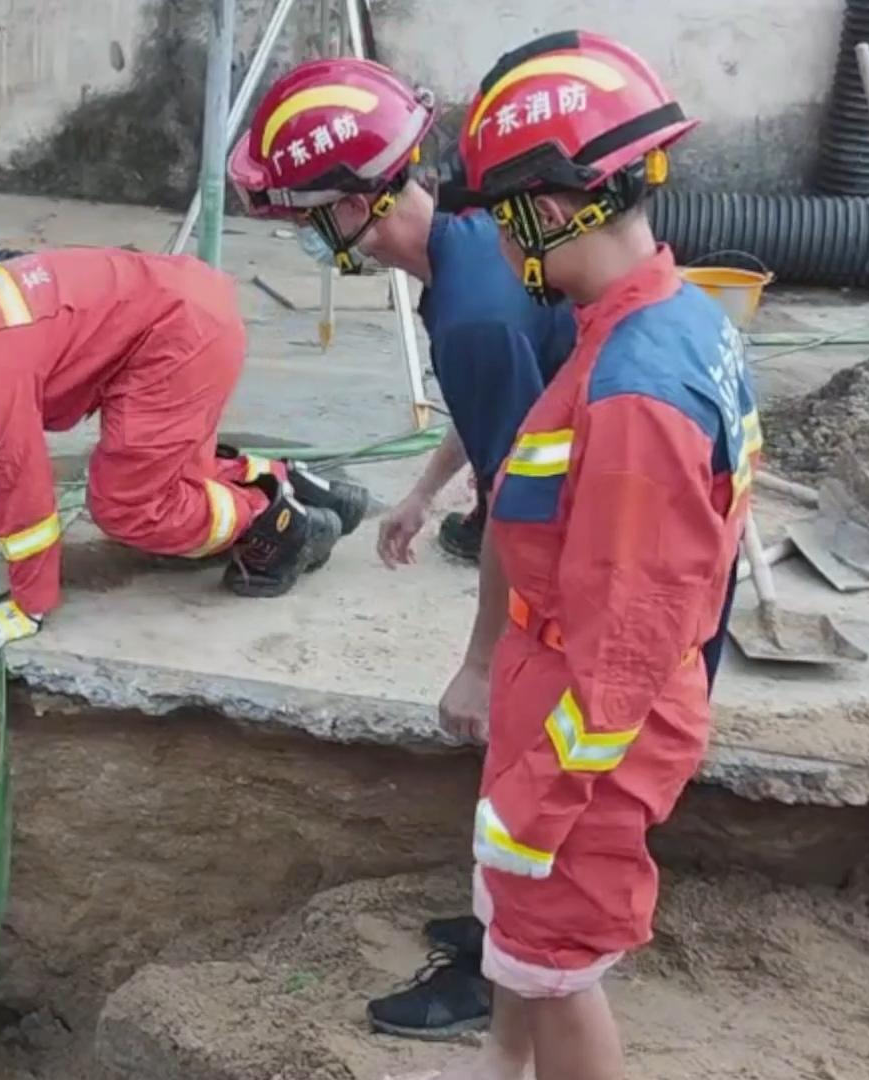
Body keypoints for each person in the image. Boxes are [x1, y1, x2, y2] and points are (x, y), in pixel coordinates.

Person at [400, 31, 760, 1080]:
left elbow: (626, 658)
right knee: (522, 939)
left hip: (586, 743)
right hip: (552, 692)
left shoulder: (638, 393)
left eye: (499, 215)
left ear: (551, 210)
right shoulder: (656, 319)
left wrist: (537, 804)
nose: (491, 241)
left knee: (558, 963)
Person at [227, 56, 577, 1040]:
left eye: (306, 214)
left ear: (355, 201)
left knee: (524, 748)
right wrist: (424, 492)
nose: (303, 232)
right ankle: (496, 931)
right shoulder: (466, 251)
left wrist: (478, 663)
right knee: (525, 748)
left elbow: (513, 499)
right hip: (574, 502)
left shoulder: (472, 307)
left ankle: (497, 976)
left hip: (583, 538)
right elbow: (501, 409)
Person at [0, 249, 373, 658]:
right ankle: (292, 484)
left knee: (127, 505)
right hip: (172, 309)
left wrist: (27, 606)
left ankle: (276, 526)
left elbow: (20, 486)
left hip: (178, 334)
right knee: (163, 472)